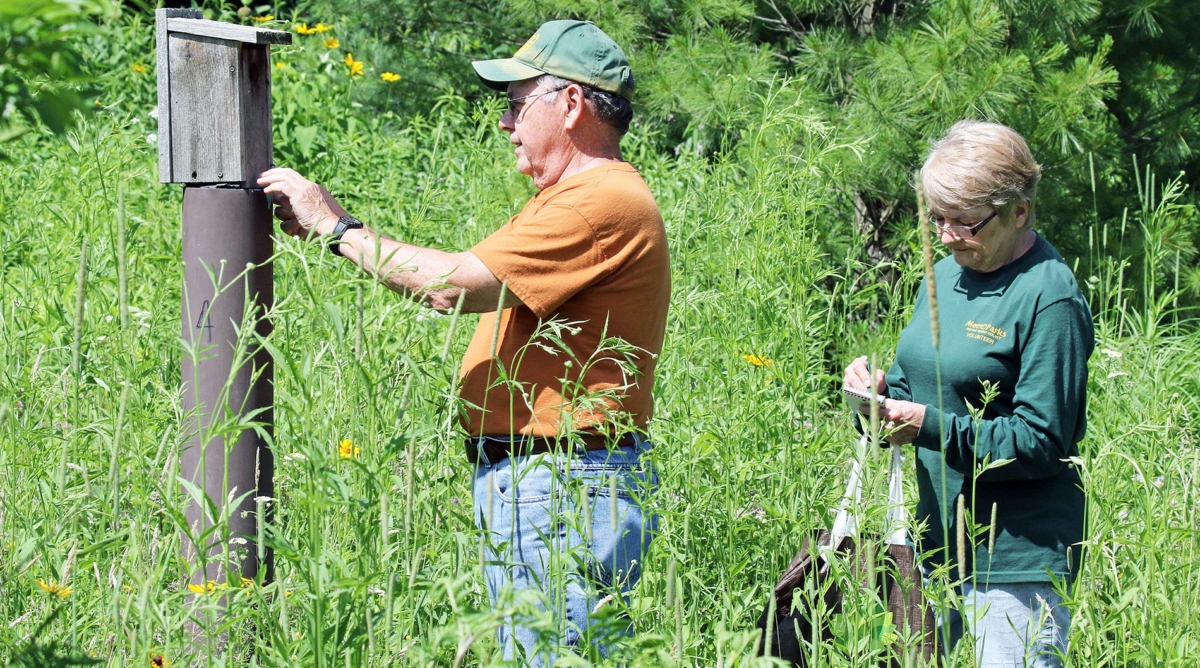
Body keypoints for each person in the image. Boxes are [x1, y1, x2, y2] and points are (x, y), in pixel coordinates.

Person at [257, 20, 669, 664]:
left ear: (570, 104)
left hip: (561, 477)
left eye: (515, 103)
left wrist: (336, 227)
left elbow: (452, 286)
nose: (505, 124)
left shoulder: (599, 201)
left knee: (556, 653)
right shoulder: (576, 197)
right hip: (548, 478)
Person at [843, 120, 1093, 667]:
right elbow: (923, 382)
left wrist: (928, 425)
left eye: (966, 223)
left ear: (1019, 211)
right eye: (937, 219)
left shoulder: (1049, 297)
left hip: (1013, 563)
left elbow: (1042, 440)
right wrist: (879, 393)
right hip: (936, 549)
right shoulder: (944, 274)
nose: (948, 235)